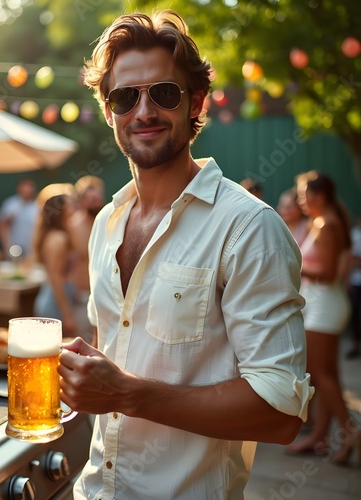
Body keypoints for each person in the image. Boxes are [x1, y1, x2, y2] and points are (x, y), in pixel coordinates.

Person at [57, 10, 313, 499]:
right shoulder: (105, 224)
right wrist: (86, 378)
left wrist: (126, 394)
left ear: (196, 101)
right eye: (125, 97)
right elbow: (119, 355)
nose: (144, 111)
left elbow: (280, 412)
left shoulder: (247, 227)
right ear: (109, 111)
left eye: (164, 93)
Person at [286, 171, 360, 464]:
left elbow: (328, 274)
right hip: (320, 307)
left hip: (325, 308)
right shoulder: (320, 222)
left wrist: (293, 265)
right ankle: (320, 438)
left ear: (320, 196)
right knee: (327, 376)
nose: (301, 200)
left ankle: (350, 430)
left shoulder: (327, 225)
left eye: (304, 194)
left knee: (320, 375)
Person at [32, 187, 79, 338]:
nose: (73, 209)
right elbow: (56, 277)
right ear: (61, 211)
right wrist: (68, 316)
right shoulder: (59, 238)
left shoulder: (53, 235)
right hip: (55, 301)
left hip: (54, 298)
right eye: (69, 205)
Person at [68, 176, 106, 345]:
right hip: (80, 297)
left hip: (101, 295)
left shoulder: (106, 223)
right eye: (92, 200)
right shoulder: (73, 227)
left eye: (98, 199)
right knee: (82, 343)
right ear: (82, 202)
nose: (96, 203)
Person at [0, 178, 38, 262]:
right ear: (19, 188)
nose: (27, 190)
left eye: (29, 188)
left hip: (30, 249)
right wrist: (6, 247)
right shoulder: (10, 204)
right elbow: (2, 226)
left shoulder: (36, 206)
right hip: (13, 248)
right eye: (24, 187)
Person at [346, 217, 361, 358]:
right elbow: (351, 258)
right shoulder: (354, 234)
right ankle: (356, 344)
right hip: (355, 281)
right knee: (355, 315)